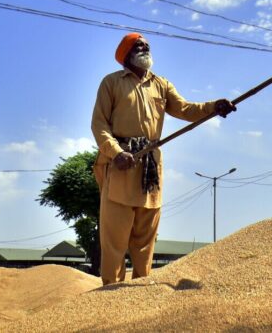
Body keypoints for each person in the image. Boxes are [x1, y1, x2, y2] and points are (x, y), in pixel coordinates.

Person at [91, 32, 236, 285]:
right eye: (138, 45)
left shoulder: (161, 84)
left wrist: (214, 107)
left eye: (147, 45)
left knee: (145, 240)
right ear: (126, 53)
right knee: (115, 240)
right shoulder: (111, 83)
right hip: (122, 163)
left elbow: (185, 109)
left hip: (150, 167)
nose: (145, 48)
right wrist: (116, 153)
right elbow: (99, 125)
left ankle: (140, 291)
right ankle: (110, 296)